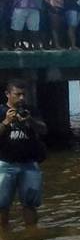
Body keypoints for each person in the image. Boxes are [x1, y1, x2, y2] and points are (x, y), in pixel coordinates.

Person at [0, 79, 47, 227]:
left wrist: (30, 120)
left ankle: (32, 237)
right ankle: (4, 238)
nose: (21, 98)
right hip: (5, 163)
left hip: (29, 163)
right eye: (17, 94)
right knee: (2, 204)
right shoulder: (1, 111)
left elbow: (44, 130)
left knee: (30, 203)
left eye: (23, 95)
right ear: (7, 94)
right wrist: (6, 122)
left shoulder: (30, 111)